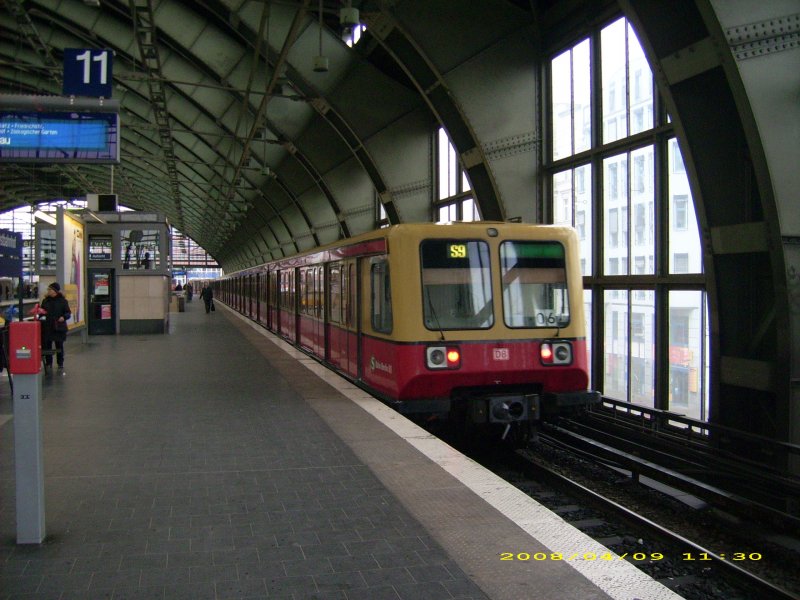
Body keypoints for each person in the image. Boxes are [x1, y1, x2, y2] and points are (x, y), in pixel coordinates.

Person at [40, 282, 72, 373]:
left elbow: (68, 313)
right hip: (47, 326)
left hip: (58, 326)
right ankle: (49, 362)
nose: (48, 291)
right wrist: (40, 316)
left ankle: (60, 362)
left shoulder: (63, 301)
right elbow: (42, 312)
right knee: (47, 345)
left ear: (55, 291)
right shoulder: (45, 301)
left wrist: (64, 317)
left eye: (50, 289)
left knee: (59, 345)